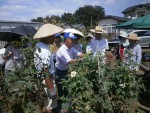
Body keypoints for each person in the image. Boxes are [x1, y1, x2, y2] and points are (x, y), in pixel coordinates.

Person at [33, 23, 64, 113]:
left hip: (41, 79)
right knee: (50, 106)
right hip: (47, 80)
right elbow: (45, 71)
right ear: (47, 36)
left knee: (46, 103)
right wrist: (51, 89)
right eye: (53, 36)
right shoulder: (45, 51)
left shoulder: (38, 45)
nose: (54, 38)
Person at [55, 32, 83, 112]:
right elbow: (70, 61)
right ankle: (60, 109)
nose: (74, 42)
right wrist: (80, 60)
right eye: (72, 40)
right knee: (61, 91)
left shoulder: (71, 47)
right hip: (59, 72)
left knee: (67, 90)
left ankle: (67, 107)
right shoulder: (62, 50)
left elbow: (78, 54)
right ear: (66, 41)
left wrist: (87, 55)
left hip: (65, 71)